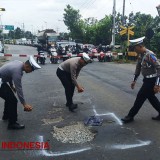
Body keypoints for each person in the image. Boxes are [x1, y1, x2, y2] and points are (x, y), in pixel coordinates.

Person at [121, 36, 160, 123]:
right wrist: (134, 80)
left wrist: (157, 84)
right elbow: (138, 68)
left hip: (152, 81)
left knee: (140, 97)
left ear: (140, 46)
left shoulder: (150, 55)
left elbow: (159, 68)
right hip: (146, 80)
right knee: (151, 97)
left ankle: (130, 116)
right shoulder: (140, 55)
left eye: (135, 48)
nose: (134, 49)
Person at [0, 56, 41, 129]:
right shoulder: (17, 71)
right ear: (27, 66)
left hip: (1, 80)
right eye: (31, 70)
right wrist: (24, 104)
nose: (31, 72)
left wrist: (11, 85)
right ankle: (12, 123)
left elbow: (9, 74)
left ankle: (6, 116)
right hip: (1, 82)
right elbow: (19, 89)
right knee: (13, 100)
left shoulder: (18, 63)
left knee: (9, 98)